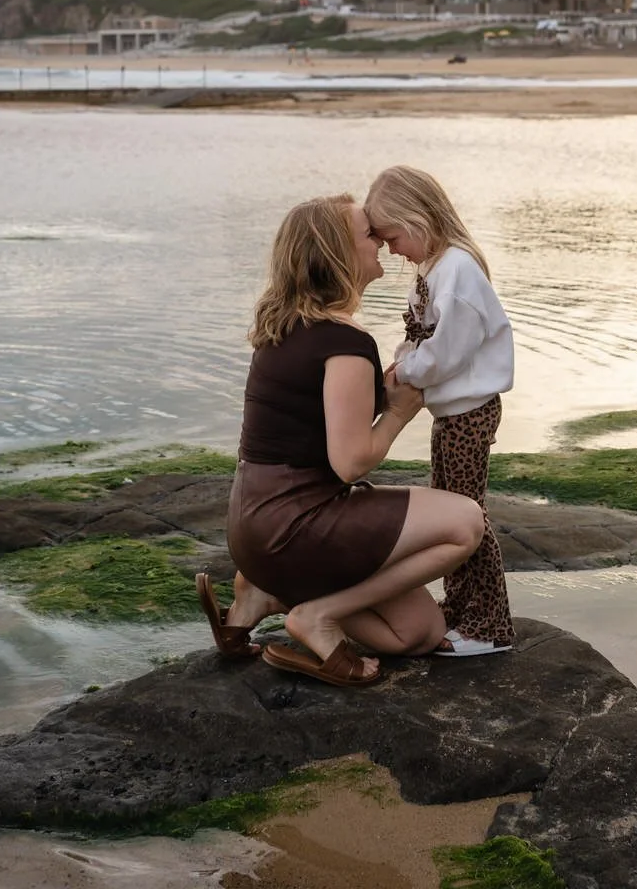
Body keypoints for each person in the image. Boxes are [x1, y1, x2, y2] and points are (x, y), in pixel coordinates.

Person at [197, 193, 484, 687]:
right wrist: (396, 413)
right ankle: (319, 615)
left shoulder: (281, 326)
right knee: (465, 523)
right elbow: (351, 463)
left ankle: (264, 594)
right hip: (297, 527)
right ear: (336, 254)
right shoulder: (345, 344)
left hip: (254, 528)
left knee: (415, 632)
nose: (380, 241)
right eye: (367, 233)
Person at [365, 165, 515, 657]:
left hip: (470, 412)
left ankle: (489, 627)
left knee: (468, 516)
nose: (389, 249)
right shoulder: (434, 270)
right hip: (450, 412)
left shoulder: (458, 272)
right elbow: (419, 338)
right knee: (449, 508)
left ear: (417, 219)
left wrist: (404, 373)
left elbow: (445, 352)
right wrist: (404, 360)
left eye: (391, 237)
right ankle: (459, 607)